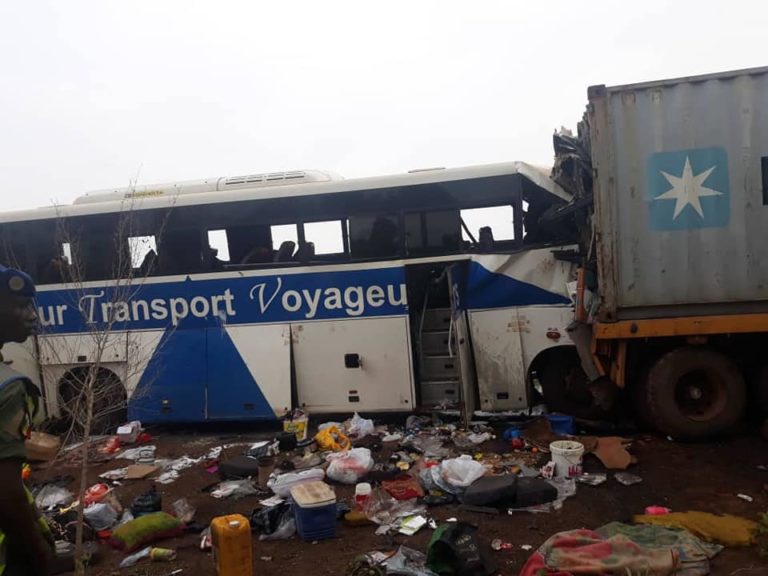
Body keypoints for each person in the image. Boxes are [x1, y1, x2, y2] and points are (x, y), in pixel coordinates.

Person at [0, 265, 54, 576]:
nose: (32, 315)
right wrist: (42, 557)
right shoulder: (7, 388)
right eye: (21, 305)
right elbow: (6, 493)